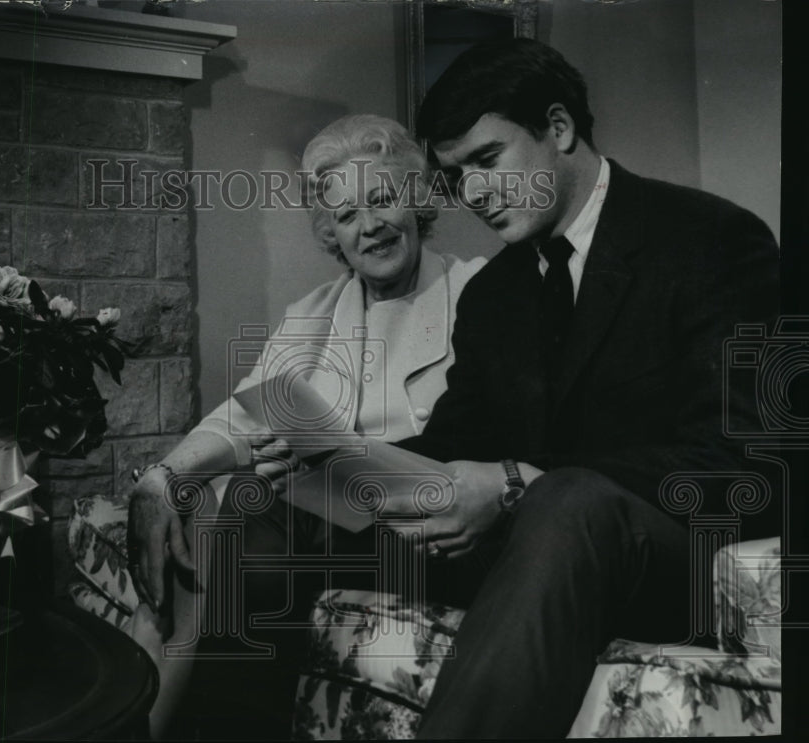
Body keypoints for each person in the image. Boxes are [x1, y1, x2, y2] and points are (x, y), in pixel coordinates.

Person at [368, 37, 780, 738]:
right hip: (536, 560)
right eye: (457, 175)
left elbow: (749, 462)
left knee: (567, 499)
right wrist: (334, 465)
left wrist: (521, 482)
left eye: (487, 160)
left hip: (680, 560)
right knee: (264, 523)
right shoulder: (493, 293)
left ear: (558, 128)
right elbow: (453, 443)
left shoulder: (714, 239)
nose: (473, 195)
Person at [112, 114, 485, 738]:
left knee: (242, 513)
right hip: (328, 524)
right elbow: (238, 418)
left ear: (417, 200)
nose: (369, 226)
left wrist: (324, 465)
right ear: (331, 233)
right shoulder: (313, 313)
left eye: (383, 199)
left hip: (423, 526)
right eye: (347, 215)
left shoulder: (476, 290)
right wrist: (161, 478)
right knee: (210, 504)